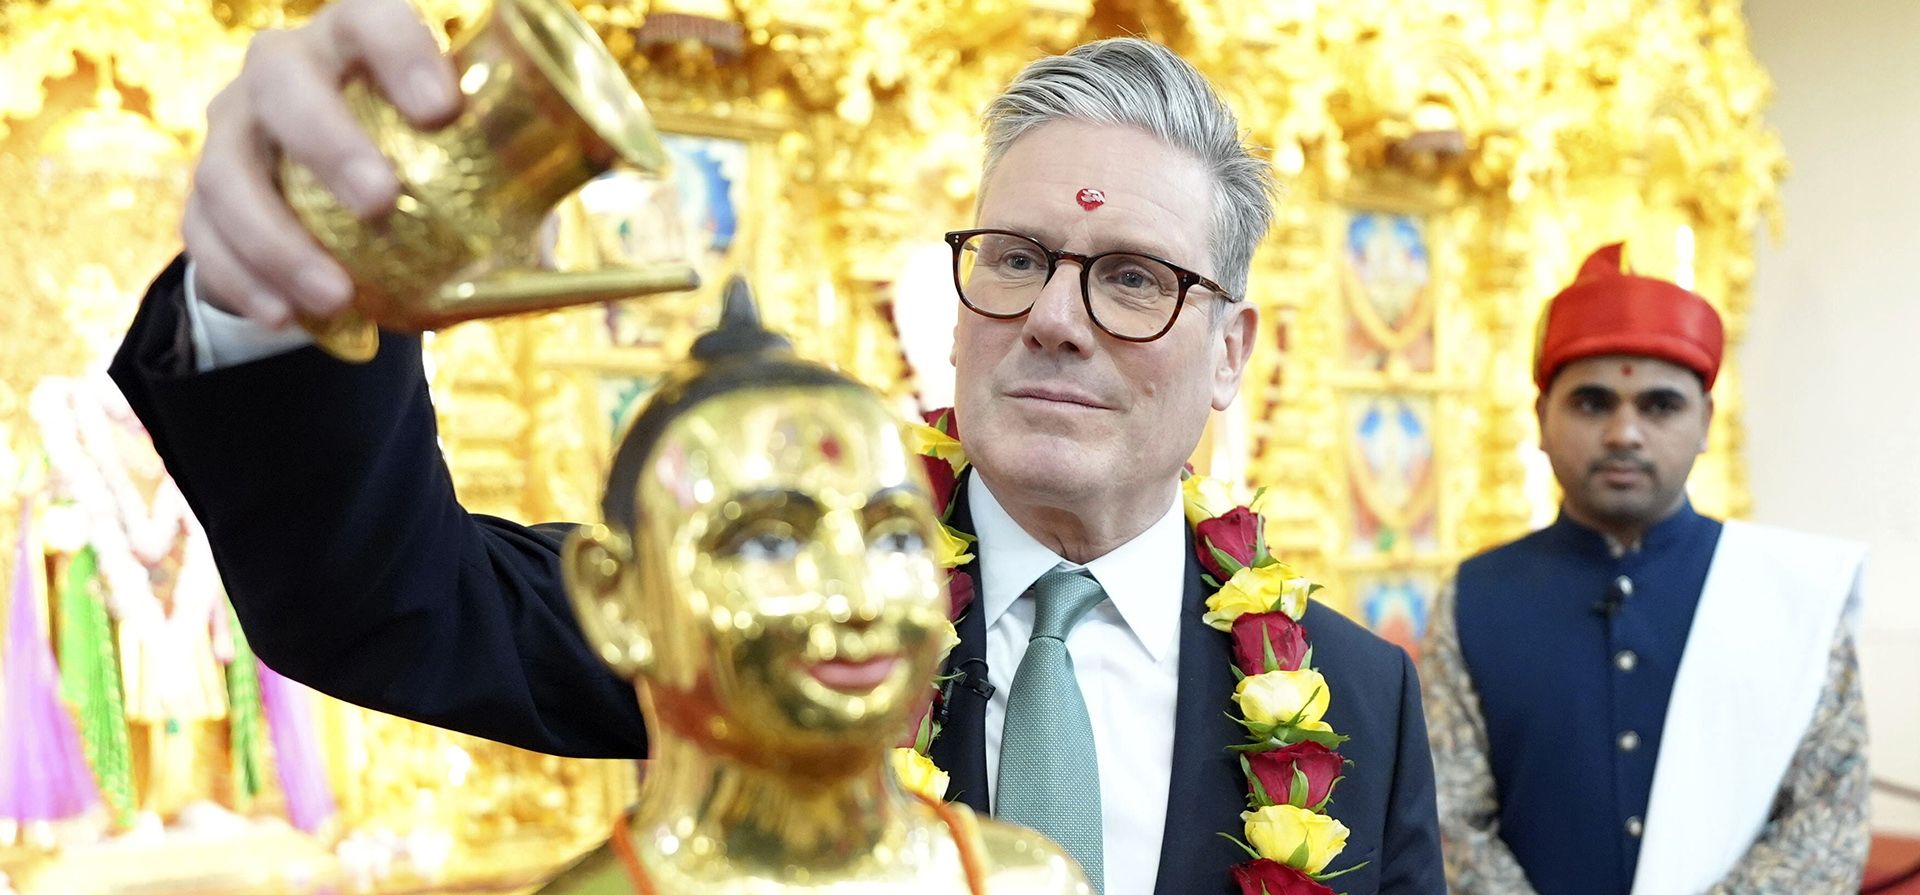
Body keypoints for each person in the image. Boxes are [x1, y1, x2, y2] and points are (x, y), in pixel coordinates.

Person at [108, 1, 1445, 892]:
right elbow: (385, 599)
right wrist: (281, 300)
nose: (1051, 317)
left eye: (1136, 278)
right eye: (1019, 257)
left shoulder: (1352, 697)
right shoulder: (749, 591)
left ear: (1233, 350)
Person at [532, 280, 1087, 895]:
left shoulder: (1025, 882)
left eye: (895, 538)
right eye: (770, 543)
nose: (858, 599)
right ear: (616, 599)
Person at [1420, 244, 1869, 894]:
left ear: (1707, 421)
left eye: (1659, 406)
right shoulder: (1477, 596)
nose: (1624, 432)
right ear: (1541, 418)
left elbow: (1827, 819)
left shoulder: (1792, 596)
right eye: (1592, 403)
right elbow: (1450, 820)